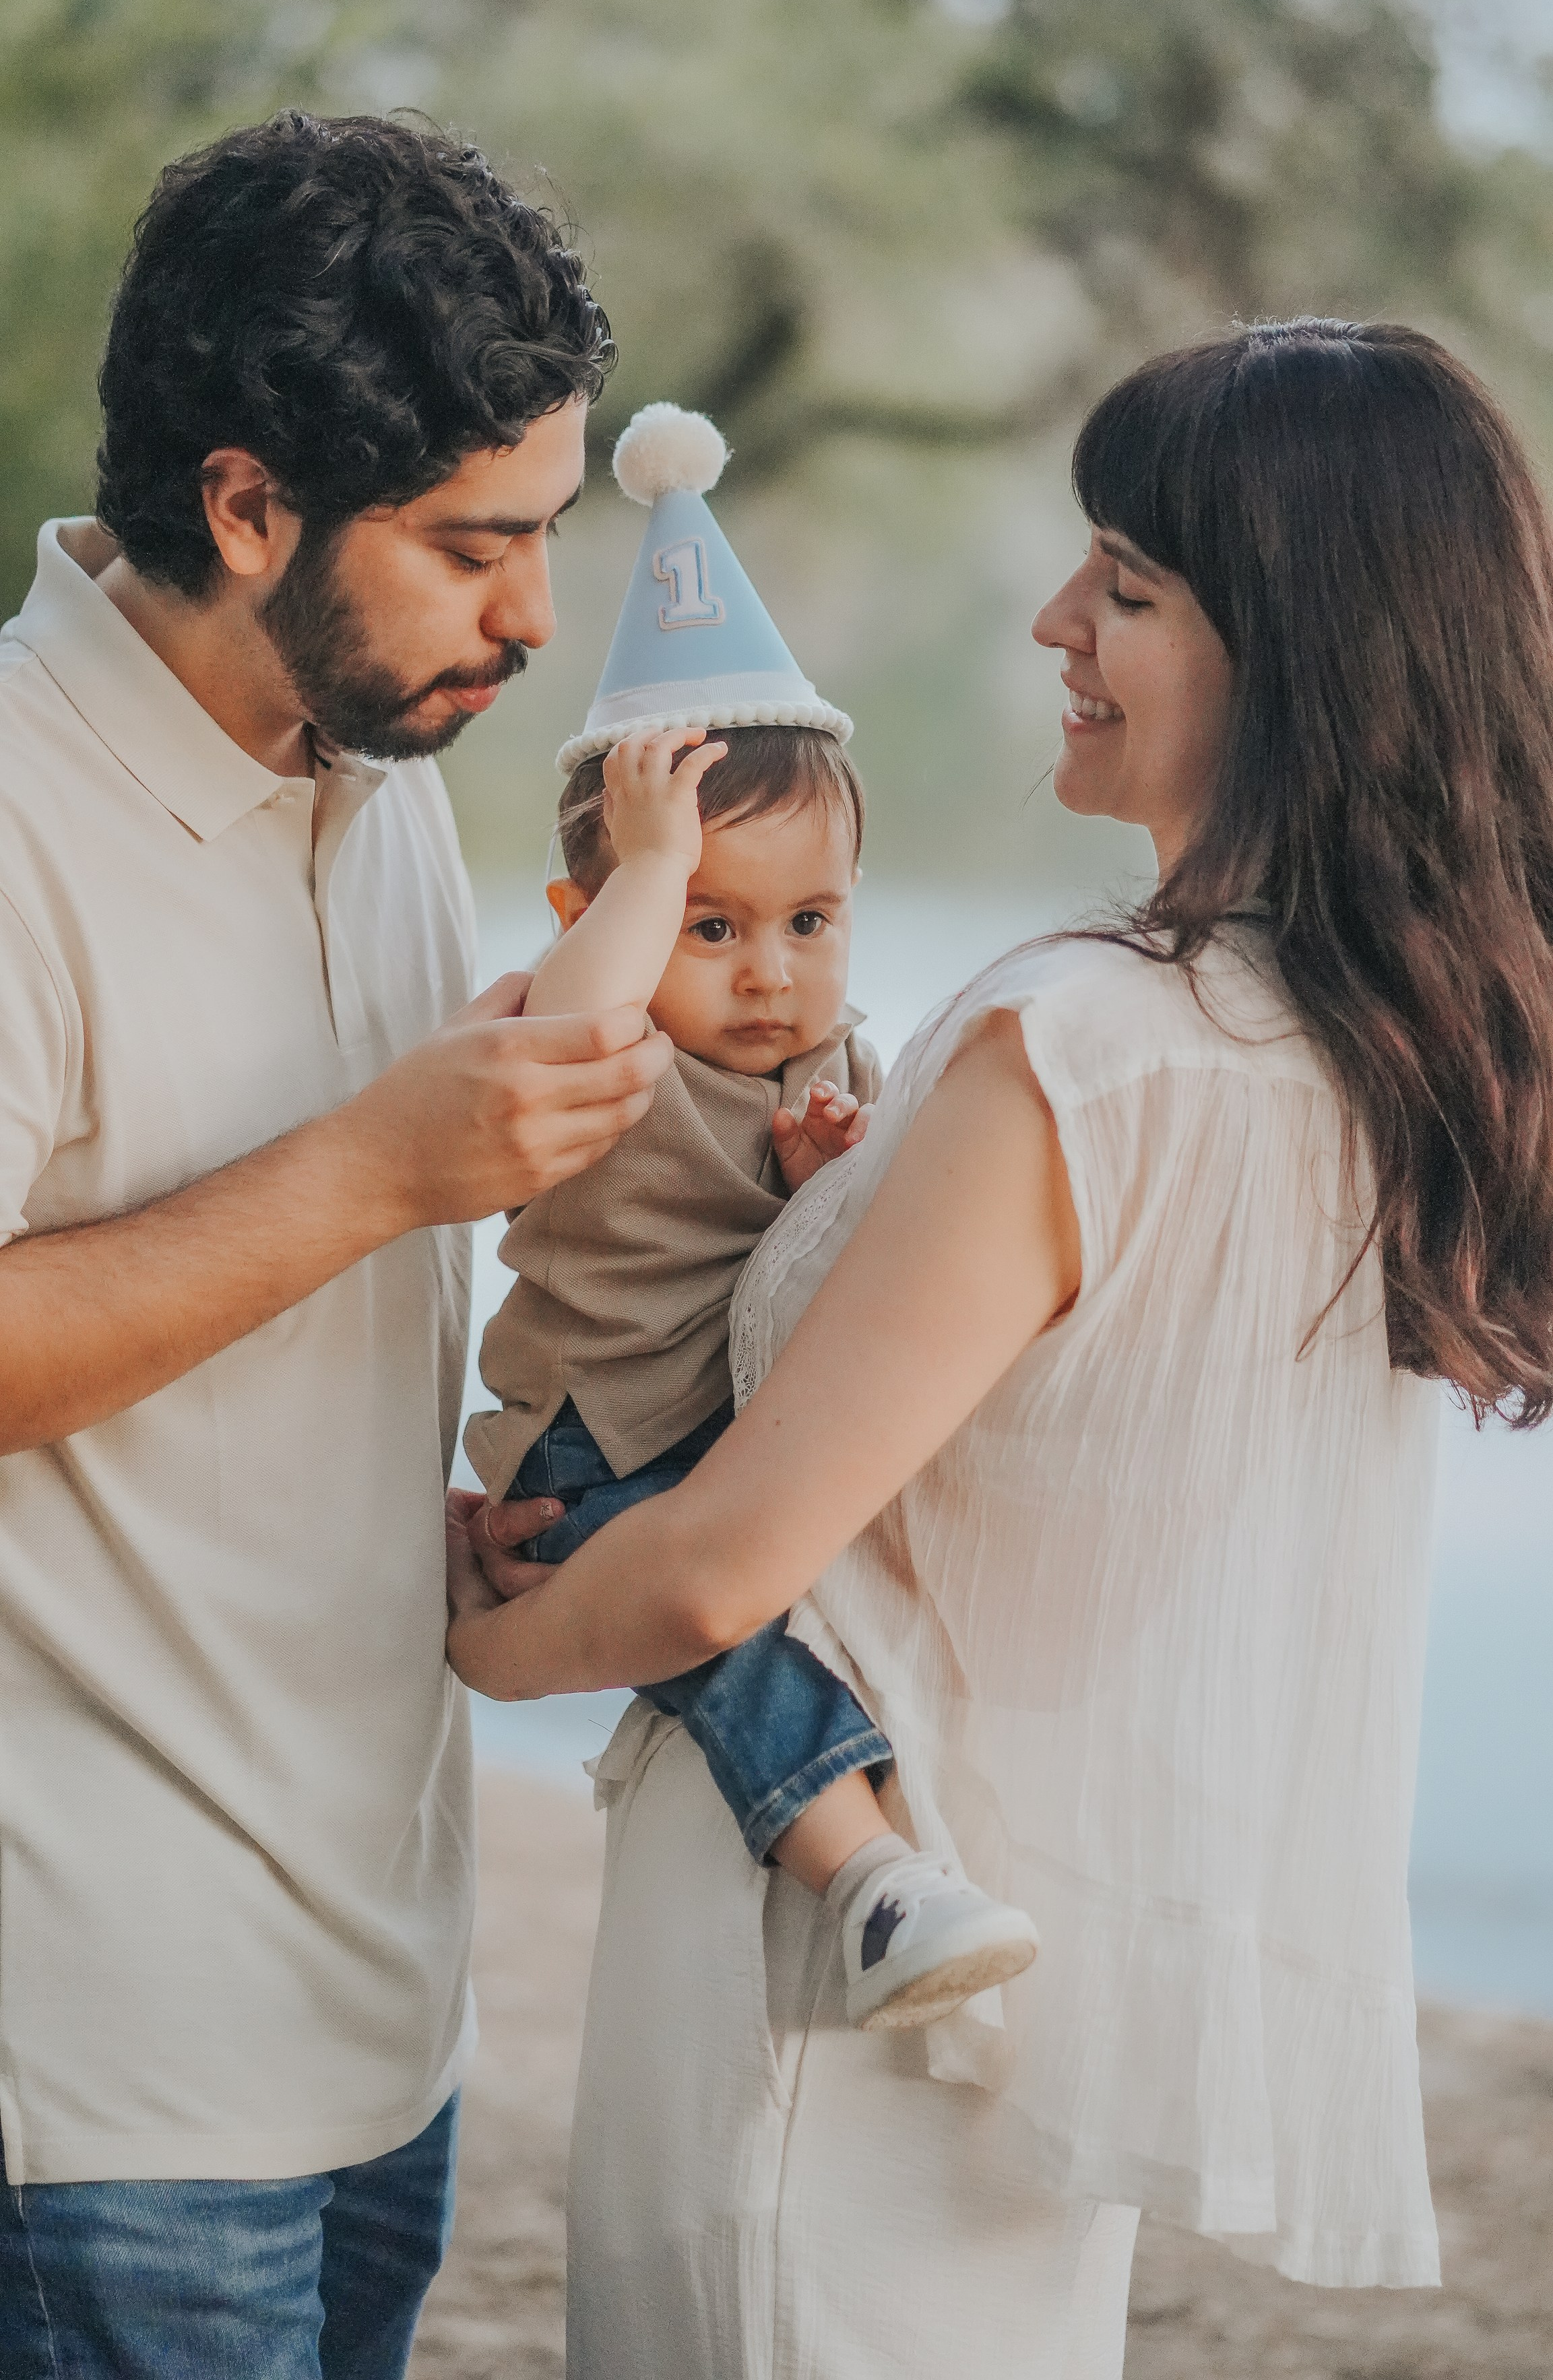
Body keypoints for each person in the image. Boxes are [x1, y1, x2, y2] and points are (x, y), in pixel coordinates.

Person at [447, 319, 1553, 2379]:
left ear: (1294, 655)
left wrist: (487, 1633)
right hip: (1033, 1991)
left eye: (1125, 588)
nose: (1055, 617)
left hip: (815, 2005)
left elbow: (705, 1574)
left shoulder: (1083, 1046)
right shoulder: (1356, 1062)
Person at [0, 111, 674, 2380]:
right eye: (472, 544)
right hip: (101, 2059)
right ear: (245, 500)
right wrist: (383, 1168)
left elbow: (297, 1271)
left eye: (545, 532)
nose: (531, 616)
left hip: (384, 1998)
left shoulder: (375, 763)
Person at [464, 402, 1038, 2030]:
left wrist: (825, 1183)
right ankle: (867, 1878)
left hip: (736, 1442)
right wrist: (645, 879)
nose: (768, 967)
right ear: (610, 914)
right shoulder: (607, 1028)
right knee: (724, 1651)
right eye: (710, 921)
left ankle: (908, 1858)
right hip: (594, 1446)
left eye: (808, 919)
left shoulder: (830, 1059)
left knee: (775, 1613)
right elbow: (559, 1034)